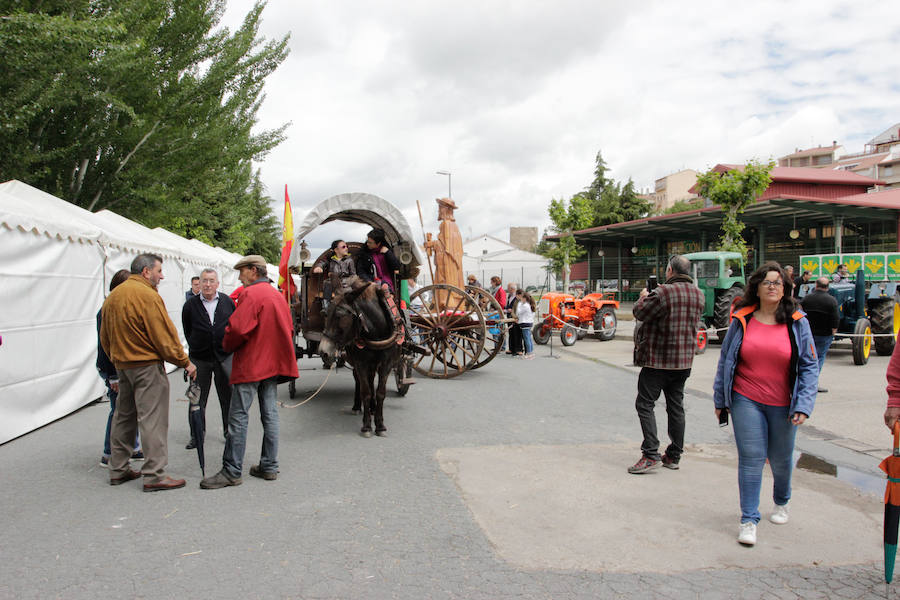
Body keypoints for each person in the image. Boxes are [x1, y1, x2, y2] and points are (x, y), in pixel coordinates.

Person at [713, 262, 817, 547]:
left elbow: (809, 366)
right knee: (751, 458)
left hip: (784, 403)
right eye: (767, 282)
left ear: (785, 289)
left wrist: (804, 404)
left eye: (778, 282)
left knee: (781, 460)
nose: (773, 286)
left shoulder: (798, 321)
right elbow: (726, 361)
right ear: (756, 287)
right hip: (746, 398)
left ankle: (781, 500)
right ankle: (749, 519)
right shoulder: (742, 318)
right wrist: (720, 399)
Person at [100, 253, 197, 492]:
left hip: (123, 367)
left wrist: (116, 359)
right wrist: (184, 361)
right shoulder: (147, 296)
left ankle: (118, 468)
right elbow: (163, 336)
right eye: (159, 271)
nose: (162, 276)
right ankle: (154, 474)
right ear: (146, 272)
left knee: (124, 417)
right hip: (146, 367)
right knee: (152, 420)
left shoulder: (113, 297)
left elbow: (105, 337)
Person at [200, 255, 298, 489]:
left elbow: (237, 330)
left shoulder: (251, 294)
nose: (240, 277)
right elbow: (290, 328)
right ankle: (269, 466)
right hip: (272, 364)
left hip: (253, 364)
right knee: (270, 415)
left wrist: (226, 345)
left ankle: (232, 470)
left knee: (238, 416)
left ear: (254, 271)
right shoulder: (276, 295)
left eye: (242, 271)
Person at [628, 255, 705, 475]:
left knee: (645, 404)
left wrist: (644, 297)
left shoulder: (663, 293)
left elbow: (640, 312)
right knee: (676, 406)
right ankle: (674, 455)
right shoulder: (698, 295)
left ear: (670, 270)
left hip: (658, 360)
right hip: (683, 362)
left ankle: (651, 453)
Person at [182, 268, 236, 449]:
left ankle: (229, 432)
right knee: (197, 399)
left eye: (211, 281)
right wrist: (196, 347)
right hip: (200, 360)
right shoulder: (190, 306)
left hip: (223, 357)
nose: (207, 284)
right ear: (199, 283)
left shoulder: (227, 302)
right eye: (204, 280)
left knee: (227, 398)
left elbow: (233, 326)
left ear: (217, 284)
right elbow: (187, 330)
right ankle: (196, 435)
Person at [98, 269, 142, 467]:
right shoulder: (107, 309)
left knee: (129, 408)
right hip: (115, 368)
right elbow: (105, 346)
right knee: (118, 411)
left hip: (124, 367)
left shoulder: (121, 307)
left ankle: (133, 446)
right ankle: (109, 453)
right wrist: (112, 376)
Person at [800, 277, 840, 393]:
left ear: (816, 285)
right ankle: (813, 383)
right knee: (818, 359)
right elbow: (835, 318)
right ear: (827, 287)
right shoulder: (832, 300)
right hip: (824, 335)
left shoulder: (807, 298)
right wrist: (834, 330)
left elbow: (800, 312)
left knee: (806, 357)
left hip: (808, 333)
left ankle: (803, 382)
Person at [357, 228, 401, 293]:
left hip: (387, 280)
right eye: (367, 241)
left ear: (378, 243)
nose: (367, 244)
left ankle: (389, 296)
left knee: (385, 289)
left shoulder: (386, 251)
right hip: (371, 281)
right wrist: (369, 282)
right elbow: (361, 271)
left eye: (370, 242)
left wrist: (388, 253)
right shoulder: (364, 253)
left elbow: (396, 267)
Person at [515, 289, 536, 359]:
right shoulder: (528, 305)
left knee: (527, 339)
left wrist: (519, 304)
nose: (521, 299)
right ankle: (531, 352)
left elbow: (518, 312)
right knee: (529, 338)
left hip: (525, 323)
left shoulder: (525, 305)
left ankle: (529, 353)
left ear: (525, 298)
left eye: (522, 298)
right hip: (528, 323)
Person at [505, 283, 522, 355]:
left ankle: (518, 349)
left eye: (508, 288)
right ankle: (511, 348)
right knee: (511, 333)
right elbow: (508, 305)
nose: (508, 289)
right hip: (509, 316)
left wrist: (512, 311)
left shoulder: (517, 297)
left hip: (516, 316)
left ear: (512, 289)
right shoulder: (509, 296)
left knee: (517, 333)